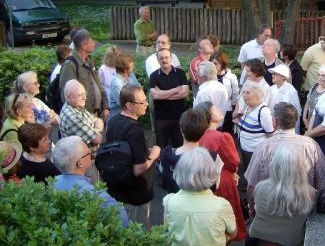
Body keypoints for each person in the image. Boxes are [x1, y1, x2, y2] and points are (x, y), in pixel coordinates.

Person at [245, 102, 325, 218]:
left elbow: (252, 184)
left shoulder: (264, 147)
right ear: (295, 121)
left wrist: (251, 207)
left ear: (275, 122)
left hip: (272, 209)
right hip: (303, 209)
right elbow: (324, 179)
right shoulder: (311, 145)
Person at [106, 84, 161, 228]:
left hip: (118, 189)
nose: (147, 104)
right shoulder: (134, 129)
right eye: (142, 102)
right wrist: (153, 156)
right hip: (136, 193)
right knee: (139, 233)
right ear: (129, 105)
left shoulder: (113, 121)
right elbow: (139, 168)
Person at [163, 148, 237, 246]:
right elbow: (233, 233)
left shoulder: (169, 201)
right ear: (211, 173)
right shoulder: (222, 205)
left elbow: (167, 231)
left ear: (180, 171)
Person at [196, 101, 247, 241]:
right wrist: (233, 171)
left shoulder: (198, 135)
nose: (218, 110)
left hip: (204, 180)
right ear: (208, 115)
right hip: (223, 178)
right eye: (214, 109)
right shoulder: (222, 137)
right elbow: (233, 161)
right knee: (226, 219)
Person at [53, 136, 129, 227]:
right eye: (88, 153)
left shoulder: (54, 183)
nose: (91, 154)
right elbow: (123, 223)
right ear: (80, 163)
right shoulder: (100, 197)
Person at [249, 143, 316, 246]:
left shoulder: (260, 188)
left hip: (260, 240)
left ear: (274, 165)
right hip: (292, 242)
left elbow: (257, 212)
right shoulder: (310, 194)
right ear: (301, 167)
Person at [59, 29, 110, 120]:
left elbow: (99, 85)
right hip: (82, 118)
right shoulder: (70, 65)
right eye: (91, 42)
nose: (94, 43)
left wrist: (105, 106)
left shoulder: (89, 61)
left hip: (96, 115)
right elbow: (66, 96)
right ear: (84, 46)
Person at [59, 80, 104, 183]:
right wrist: (96, 130)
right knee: (93, 193)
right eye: (80, 95)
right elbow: (97, 139)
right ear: (68, 97)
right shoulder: (73, 117)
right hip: (82, 165)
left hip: (88, 160)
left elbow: (98, 120)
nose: (84, 97)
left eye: (85, 94)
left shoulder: (76, 107)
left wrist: (94, 129)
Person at [159, 109, 212, 193]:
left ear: (181, 130)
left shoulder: (167, 155)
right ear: (204, 132)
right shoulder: (212, 157)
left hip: (175, 201)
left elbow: (163, 173)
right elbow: (215, 183)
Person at [149, 48, 189, 148]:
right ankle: (162, 163)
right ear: (157, 60)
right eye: (161, 58)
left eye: (167, 57)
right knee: (162, 146)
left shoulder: (180, 73)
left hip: (178, 117)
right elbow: (155, 95)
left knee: (179, 146)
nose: (164, 60)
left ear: (171, 58)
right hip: (161, 118)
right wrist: (175, 90)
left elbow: (185, 93)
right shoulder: (153, 76)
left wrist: (162, 94)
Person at [233, 82, 274, 170]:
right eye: (243, 92)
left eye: (248, 92)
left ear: (257, 95)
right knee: (247, 174)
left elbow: (270, 134)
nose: (244, 95)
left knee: (255, 178)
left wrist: (268, 154)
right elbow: (246, 126)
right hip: (244, 149)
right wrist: (237, 120)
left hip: (256, 152)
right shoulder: (247, 106)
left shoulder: (263, 111)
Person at [193, 61, 228, 129]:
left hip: (206, 128)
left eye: (198, 75)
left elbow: (200, 114)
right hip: (219, 125)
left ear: (205, 77)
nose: (196, 77)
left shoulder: (203, 92)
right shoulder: (222, 87)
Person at [211, 51, 239, 133]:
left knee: (225, 133)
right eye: (212, 64)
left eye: (215, 64)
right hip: (213, 110)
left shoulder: (231, 77)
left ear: (222, 63)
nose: (213, 66)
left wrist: (234, 107)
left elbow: (235, 93)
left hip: (227, 109)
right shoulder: (209, 77)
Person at [268, 64, 302, 132]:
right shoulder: (272, 88)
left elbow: (296, 112)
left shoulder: (291, 91)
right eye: (273, 74)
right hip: (273, 124)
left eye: (276, 74)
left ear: (283, 77)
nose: (273, 75)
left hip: (286, 126)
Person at [108, 54, 139, 118]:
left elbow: (139, 90)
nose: (134, 68)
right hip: (118, 118)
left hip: (131, 115)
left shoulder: (131, 76)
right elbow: (124, 103)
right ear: (125, 70)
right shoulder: (116, 83)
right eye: (132, 67)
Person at [302, 65, 325, 130]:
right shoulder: (315, 86)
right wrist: (304, 118)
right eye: (319, 75)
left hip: (318, 126)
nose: (320, 77)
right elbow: (307, 103)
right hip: (308, 123)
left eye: (323, 75)